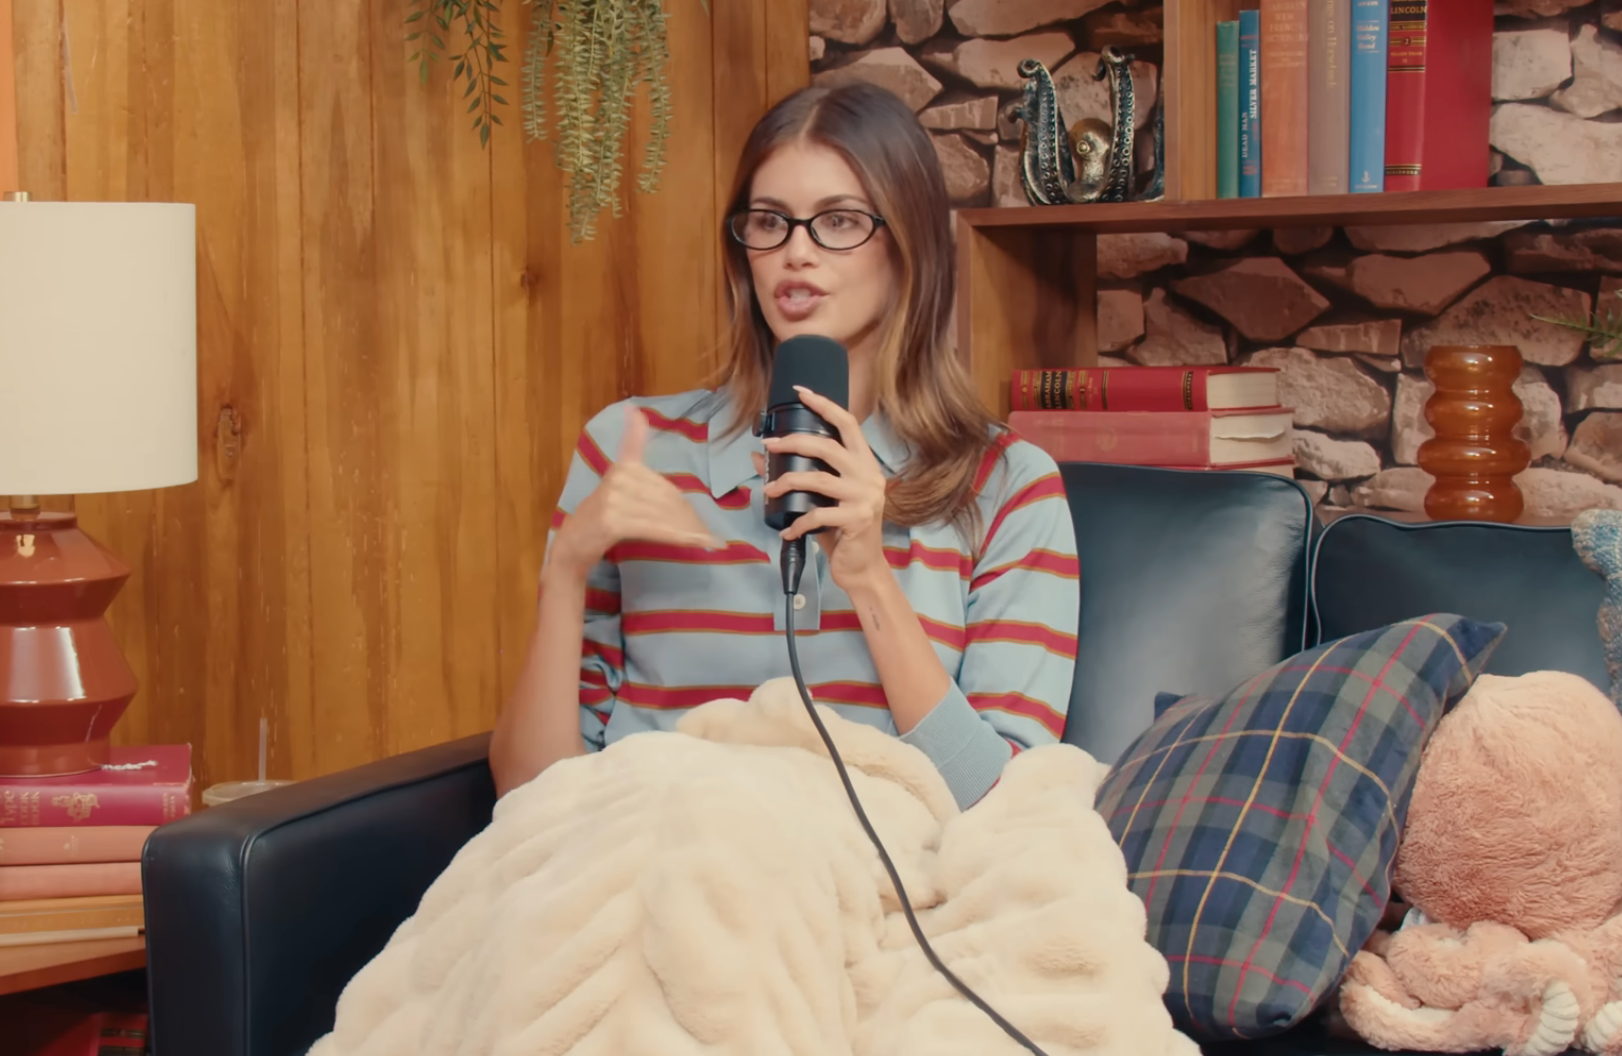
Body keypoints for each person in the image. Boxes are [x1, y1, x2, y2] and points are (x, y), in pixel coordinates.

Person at [489, 81, 1080, 810]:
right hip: (645, 852)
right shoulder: (630, 447)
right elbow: (529, 799)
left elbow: (1002, 806)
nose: (796, 253)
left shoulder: (1007, 483)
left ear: (911, 247)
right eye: (769, 222)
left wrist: (868, 577)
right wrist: (566, 573)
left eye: (839, 221)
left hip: (866, 866)